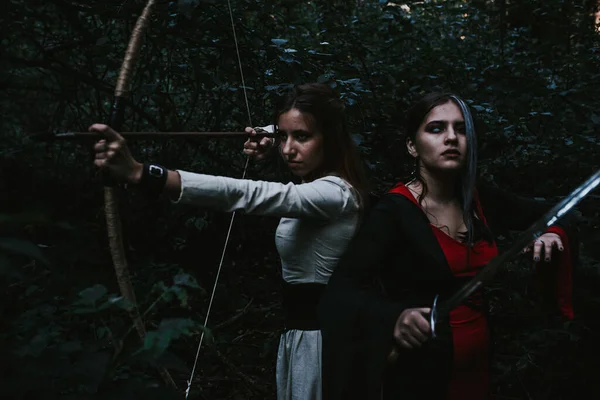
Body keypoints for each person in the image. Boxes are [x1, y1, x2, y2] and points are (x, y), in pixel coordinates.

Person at [90, 83, 369, 399]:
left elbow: (250, 194)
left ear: (330, 139)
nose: (288, 149)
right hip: (302, 336)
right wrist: (269, 133)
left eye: (302, 137)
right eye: (283, 137)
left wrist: (144, 174)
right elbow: (292, 135)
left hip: (326, 342)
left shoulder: (335, 194)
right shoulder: (316, 183)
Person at [318, 92, 578, 399]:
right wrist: (394, 317)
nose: (452, 138)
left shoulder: (479, 198)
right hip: (421, 374)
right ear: (412, 146)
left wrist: (550, 231)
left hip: (479, 369)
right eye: (436, 128)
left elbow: (561, 211)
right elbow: (341, 292)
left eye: (461, 129)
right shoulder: (394, 211)